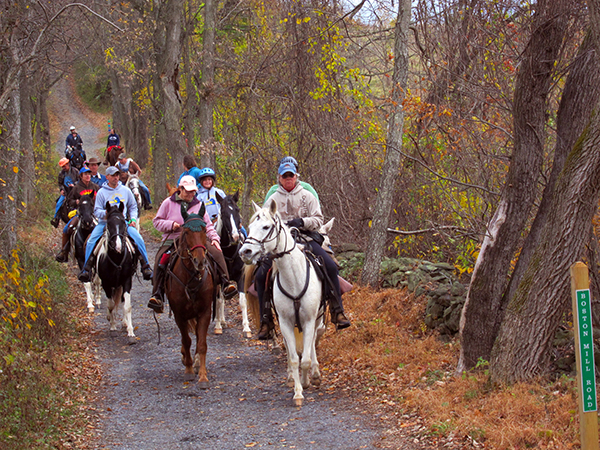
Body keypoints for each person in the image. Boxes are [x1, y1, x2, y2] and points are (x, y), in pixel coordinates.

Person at [255, 158, 351, 339]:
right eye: (285, 176)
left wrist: (302, 222)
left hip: (306, 239)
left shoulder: (307, 195)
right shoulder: (273, 199)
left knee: (329, 266)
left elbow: (318, 219)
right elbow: (264, 221)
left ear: (296, 176)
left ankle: (337, 311)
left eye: (291, 175)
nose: (288, 179)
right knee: (261, 275)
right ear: (280, 178)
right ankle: (265, 320)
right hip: (280, 244)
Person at [147, 175, 238, 313]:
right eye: (188, 191)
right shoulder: (168, 203)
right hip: (175, 238)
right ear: (181, 189)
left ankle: (226, 283)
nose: (191, 194)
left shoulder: (199, 204)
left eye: (193, 191)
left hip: (198, 239)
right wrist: (171, 224)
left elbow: (208, 225)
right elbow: (157, 221)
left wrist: (214, 239)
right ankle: (157, 294)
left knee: (217, 253)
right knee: (161, 259)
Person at [77, 166, 153, 283]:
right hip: (105, 223)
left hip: (123, 223)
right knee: (91, 241)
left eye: (117, 175)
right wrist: (105, 213)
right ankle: (87, 268)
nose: (116, 178)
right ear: (107, 177)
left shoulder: (126, 191)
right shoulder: (102, 192)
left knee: (138, 238)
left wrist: (132, 219)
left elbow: (133, 207)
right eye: (113, 175)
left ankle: (145, 266)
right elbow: (96, 210)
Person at [55, 167, 100, 263]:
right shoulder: (76, 188)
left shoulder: (95, 187)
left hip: (94, 214)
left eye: (89, 174)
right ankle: (64, 251)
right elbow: (69, 201)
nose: (88, 176)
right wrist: (76, 202)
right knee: (67, 228)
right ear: (81, 176)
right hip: (80, 214)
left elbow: (102, 200)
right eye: (85, 174)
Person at [51, 157, 79, 228]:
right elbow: (60, 183)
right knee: (59, 202)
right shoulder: (61, 174)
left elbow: (80, 181)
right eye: (62, 166)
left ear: (68, 164)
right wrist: (62, 190)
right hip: (66, 192)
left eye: (65, 166)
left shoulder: (75, 171)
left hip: (75, 191)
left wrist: (74, 185)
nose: (64, 167)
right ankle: (56, 218)